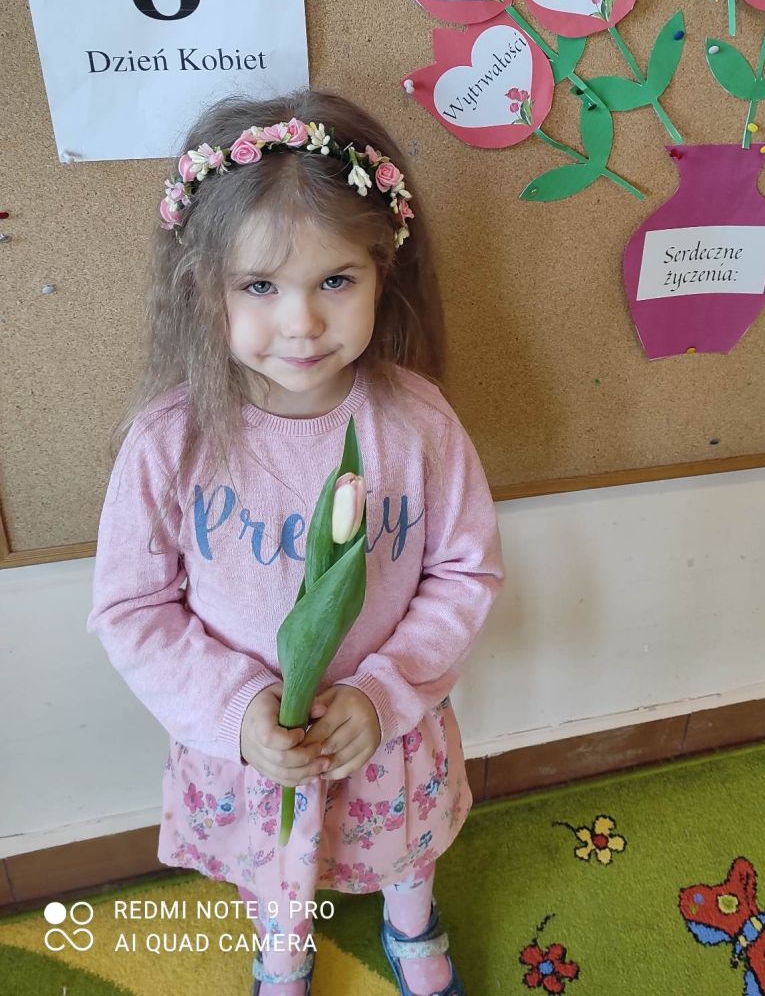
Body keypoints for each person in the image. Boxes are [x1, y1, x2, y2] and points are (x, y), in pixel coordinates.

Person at [87, 89, 504, 996]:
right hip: (252, 745)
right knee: (272, 863)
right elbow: (131, 608)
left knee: (404, 845)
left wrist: (384, 691)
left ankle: (411, 922)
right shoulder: (169, 441)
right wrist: (238, 712)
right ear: (204, 284)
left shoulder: (419, 424)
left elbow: (464, 571)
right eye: (260, 286)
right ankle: (284, 947)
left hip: (384, 730)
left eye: (335, 281)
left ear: (383, 269)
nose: (302, 321)